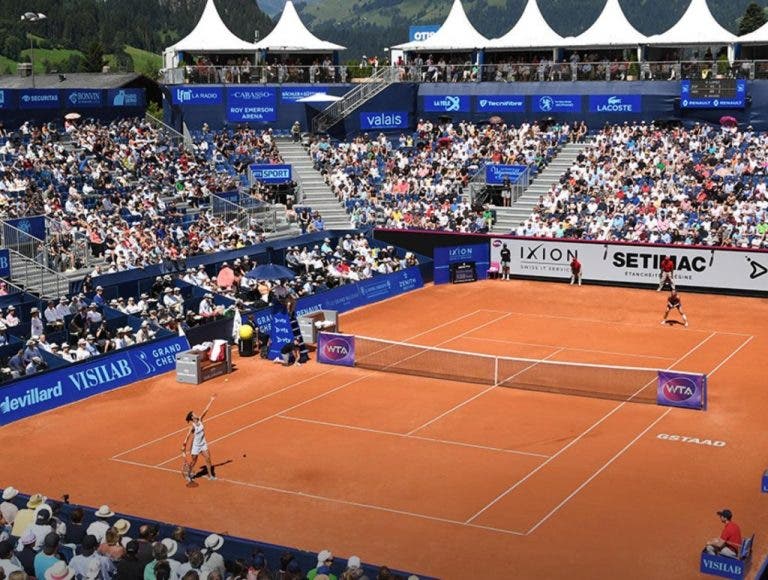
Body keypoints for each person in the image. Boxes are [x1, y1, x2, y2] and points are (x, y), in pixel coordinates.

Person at [181, 395, 217, 483]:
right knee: (194, 462)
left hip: (203, 443)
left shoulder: (200, 420)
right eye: (194, 414)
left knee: (208, 459)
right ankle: (188, 474)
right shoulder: (192, 427)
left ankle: (210, 476)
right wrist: (184, 444)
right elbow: (188, 436)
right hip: (196, 446)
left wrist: (211, 400)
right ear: (192, 417)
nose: (195, 414)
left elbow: (205, 410)